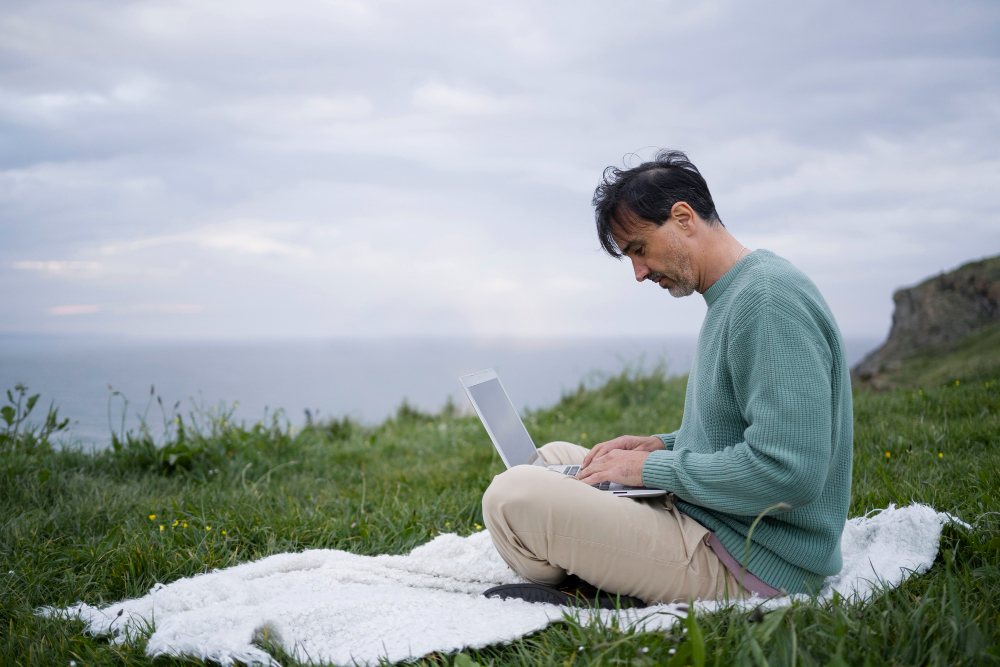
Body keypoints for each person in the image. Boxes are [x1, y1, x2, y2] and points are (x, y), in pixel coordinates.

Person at [482, 150, 853, 605]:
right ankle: (594, 561)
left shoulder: (768, 300)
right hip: (719, 522)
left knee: (511, 495)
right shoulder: (736, 293)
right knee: (551, 458)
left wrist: (647, 470)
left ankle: (588, 578)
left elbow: (789, 472)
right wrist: (662, 445)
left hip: (751, 558)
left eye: (639, 249)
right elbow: (737, 429)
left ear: (682, 218)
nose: (639, 273)